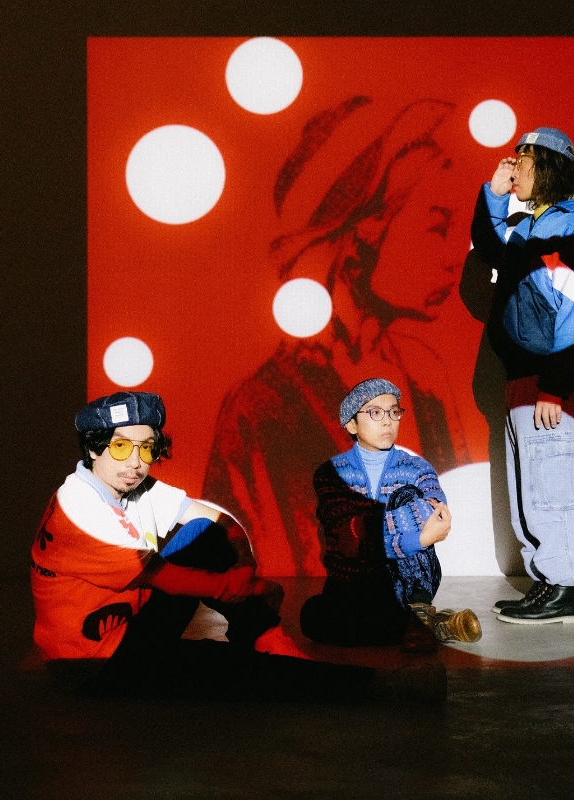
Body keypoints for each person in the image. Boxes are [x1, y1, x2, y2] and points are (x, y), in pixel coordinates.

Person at [202, 97, 473, 578]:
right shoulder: (261, 410)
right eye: (437, 227)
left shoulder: (425, 375)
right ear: (362, 229)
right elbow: (259, 571)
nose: (455, 257)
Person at [29, 390, 444, 701]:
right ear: (93, 447)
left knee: (205, 534)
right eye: (121, 447)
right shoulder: (79, 508)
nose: (135, 462)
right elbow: (166, 579)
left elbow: (219, 521)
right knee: (237, 672)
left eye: (146, 448)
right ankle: (381, 687)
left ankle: (267, 639)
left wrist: (244, 564)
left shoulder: (128, 487)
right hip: (93, 666)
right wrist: (246, 589)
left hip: (131, 632)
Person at [469, 127, 574, 624]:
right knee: (529, 490)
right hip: (524, 380)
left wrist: (554, 385)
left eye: (524, 161)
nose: (514, 168)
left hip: (548, 384)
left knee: (551, 489)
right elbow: (491, 248)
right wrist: (495, 194)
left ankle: (563, 591)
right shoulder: (534, 225)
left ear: (550, 168)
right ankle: (547, 584)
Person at [300, 378, 482, 651]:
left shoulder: (417, 468)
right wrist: (417, 540)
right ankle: (429, 626)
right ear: (351, 424)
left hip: (403, 584)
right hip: (352, 583)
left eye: (394, 412)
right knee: (312, 617)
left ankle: (418, 615)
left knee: (406, 495)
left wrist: (365, 528)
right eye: (375, 412)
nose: (387, 421)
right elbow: (345, 540)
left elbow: (435, 511)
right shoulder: (330, 473)